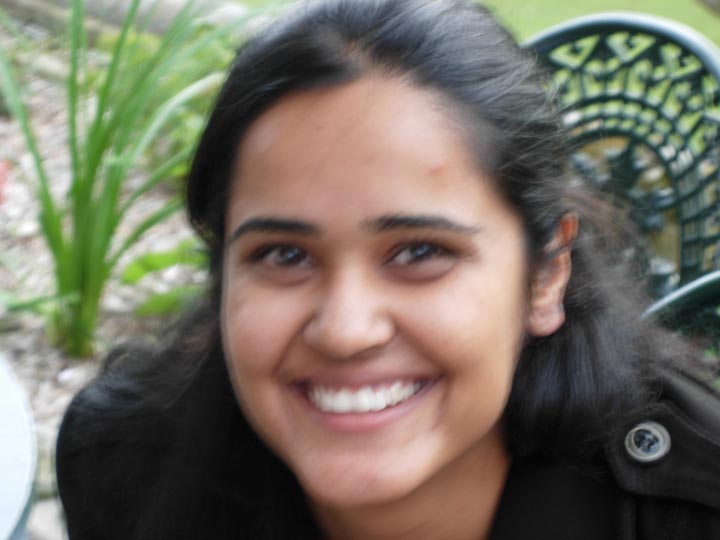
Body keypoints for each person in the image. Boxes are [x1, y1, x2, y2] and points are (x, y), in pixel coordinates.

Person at [56, 0, 720, 538]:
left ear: (545, 275)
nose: (346, 331)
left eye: (420, 252)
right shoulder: (126, 463)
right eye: (284, 255)